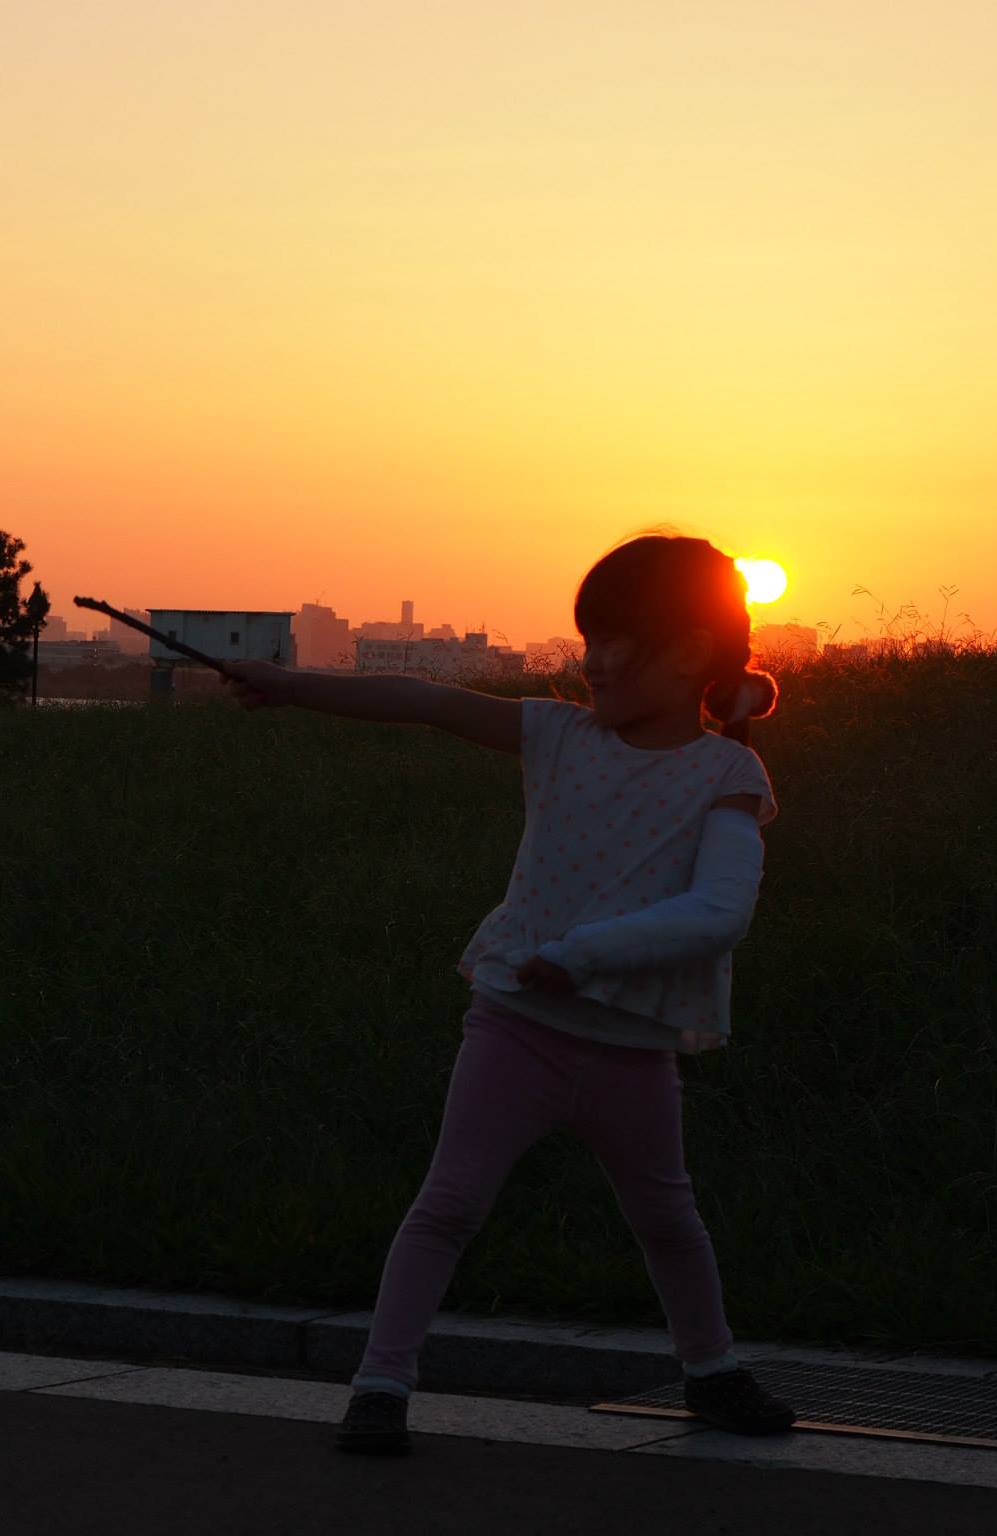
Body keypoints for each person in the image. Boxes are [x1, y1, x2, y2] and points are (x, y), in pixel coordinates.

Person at [224, 535, 797, 1455]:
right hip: (514, 1031)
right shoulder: (557, 733)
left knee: (668, 1219)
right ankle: (380, 1384)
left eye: (619, 638)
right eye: (590, 635)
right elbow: (422, 701)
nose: (593, 658)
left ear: (692, 650)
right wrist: (294, 686)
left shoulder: (728, 772)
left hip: (630, 1048)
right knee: (448, 1205)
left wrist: (584, 955)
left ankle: (711, 1370)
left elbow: (721, 911)